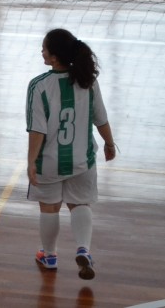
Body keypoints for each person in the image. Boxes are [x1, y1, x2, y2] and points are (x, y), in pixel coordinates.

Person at [26, 28, 116, 280]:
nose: (41, 51)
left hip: (50, 162)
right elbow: (101, 119)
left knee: (49, 208)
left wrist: (31, 161)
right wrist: (110, 144)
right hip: (82, 160)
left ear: (54, 57)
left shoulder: (39, 86)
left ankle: (50, 255)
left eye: (44, 48)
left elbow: (37, 130)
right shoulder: (88, 81)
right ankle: (83, 250)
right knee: (80, 204)